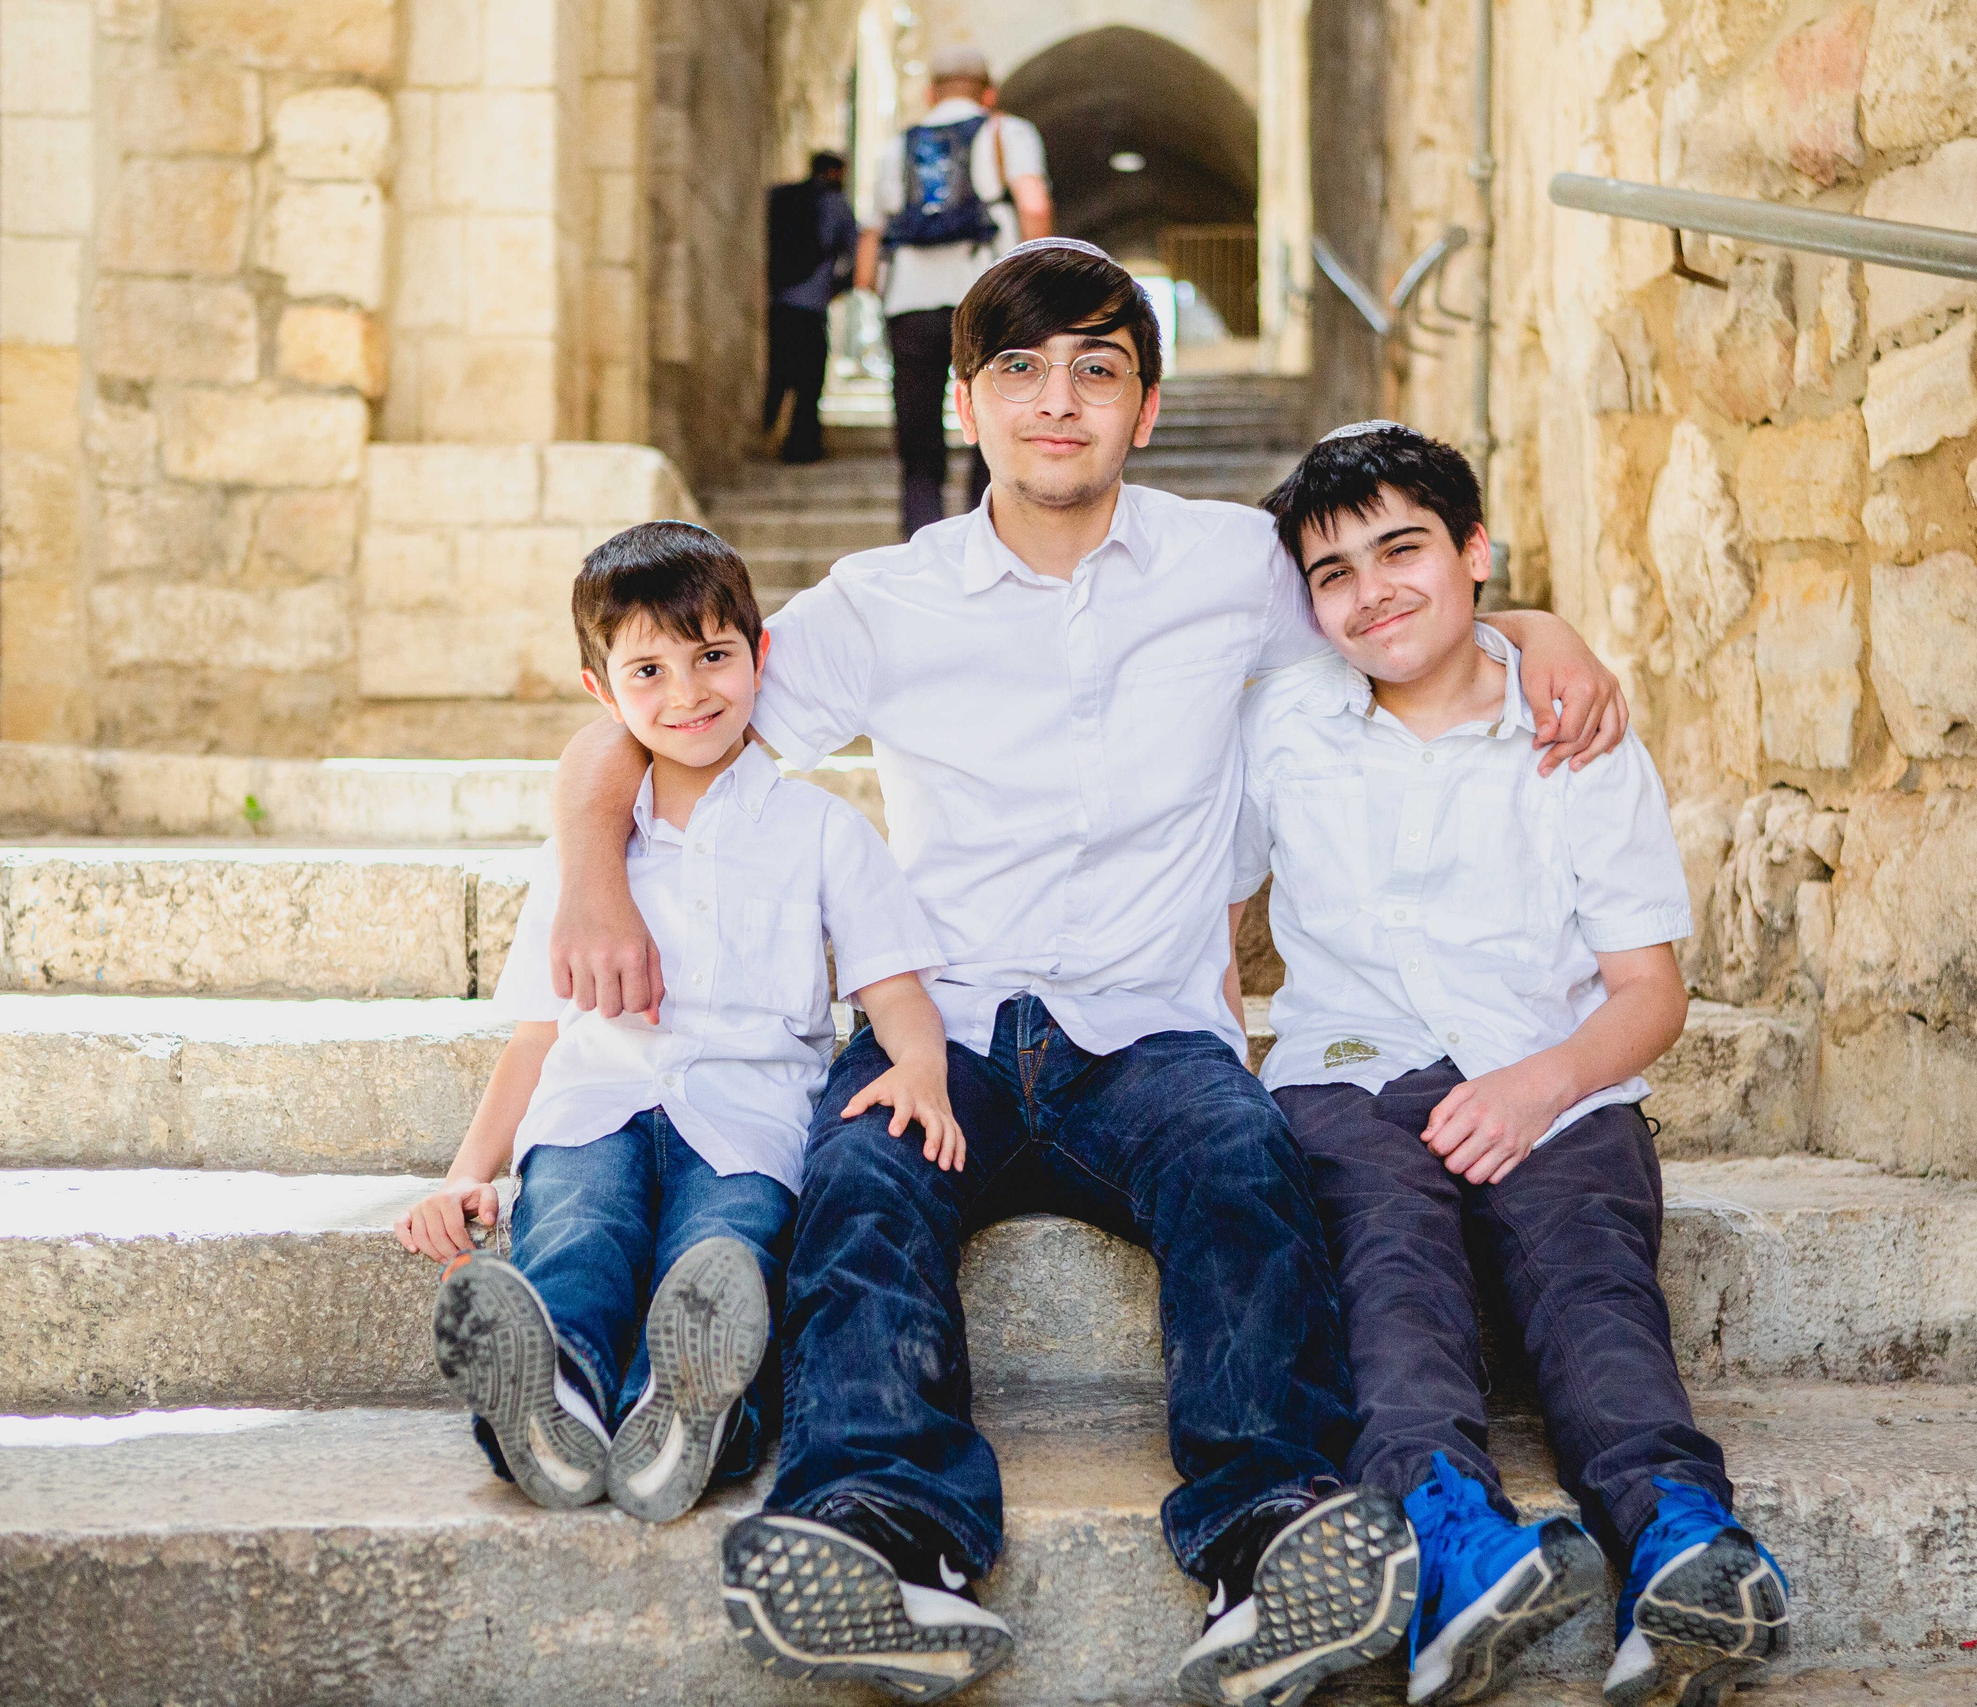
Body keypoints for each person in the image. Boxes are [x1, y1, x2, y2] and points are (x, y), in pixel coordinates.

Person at [541, 240, 1638, 1705]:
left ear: (1147, 403)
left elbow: (1394, 614)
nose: (1058, 401)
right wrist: (597, 871)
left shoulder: (1230, 567)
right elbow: (655, 709)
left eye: (1096, 370)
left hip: (1150, 1030)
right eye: (1021, 370)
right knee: (862, 1183)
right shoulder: (888, 598)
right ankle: (877, 1525)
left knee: (1247, 1167)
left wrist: (1532, 628)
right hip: (949, 1022)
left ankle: (1269, 1528)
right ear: (969, 397)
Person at [1237, 423, 1791, 1707]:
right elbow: (1209, 930)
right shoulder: (1282, 726)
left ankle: (1681, 1542)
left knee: (1591, 1292)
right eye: (1333, 574)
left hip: (1557, 1071)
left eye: (1403, 550)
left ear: (1472, 551)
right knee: (1387, 1275)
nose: (1372, 591)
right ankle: (1449, 1536)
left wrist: (1538, 1086)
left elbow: (1651, 994)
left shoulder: (1576, 737)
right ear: (1307, 603)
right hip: (1350, 1073)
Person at [392, 521, 959, 1529]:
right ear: (600, 694)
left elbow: (894, 985)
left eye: (713, 657)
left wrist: (918, 1063)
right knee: (574, 1240)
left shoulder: (821, 830)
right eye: (648, 670)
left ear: (757, 656)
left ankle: (683, 1414)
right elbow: (534, 1036)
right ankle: (547, 1410)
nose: (688, 693)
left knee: (725, 1257)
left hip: (749, 1125)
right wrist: (467, 1172)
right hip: (593, 1108)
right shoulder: (583, 858)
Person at [857, 45, 1050, 535]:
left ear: (930, 94)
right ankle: (983, 535)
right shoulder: (1007, 131)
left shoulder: (897, 146)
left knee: (919, 444)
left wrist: (873, 294)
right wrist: (1040, 279)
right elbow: (1032, 203)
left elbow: (871, 240)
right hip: (989, 301)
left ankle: (922, 544)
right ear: (988, 93)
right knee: (995, 429)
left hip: (910, 304)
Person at [766, 152, 858, 464]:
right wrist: (836, 288)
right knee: (809, 381)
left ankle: (765, 436)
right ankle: (801, 445)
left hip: (777, 304)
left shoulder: (779, 197)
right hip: (811, 306)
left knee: (778, 374)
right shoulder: (837, 205)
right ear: (835, 172)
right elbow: (853, 256)